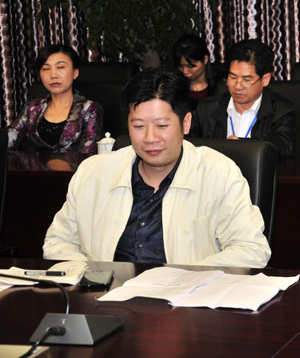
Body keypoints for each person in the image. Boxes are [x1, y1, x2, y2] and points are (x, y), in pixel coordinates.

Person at [43, 69, 271, 267]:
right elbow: (58, 242)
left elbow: (251, 249)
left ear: (186, 123)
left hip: (186, 298)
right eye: (138, 126)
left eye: (162, 126)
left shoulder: (218, 173)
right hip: (108, 297)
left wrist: (186, 278)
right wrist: (92, 277)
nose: (150, 138)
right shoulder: (93, 173)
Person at [189, 39, 295, 159]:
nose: (238, 86)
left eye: (247, 79)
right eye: (233, 78)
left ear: (265, 79)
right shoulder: (207, 108)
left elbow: (283, 145)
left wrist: (242, 146)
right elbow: (189, 144)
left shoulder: (281, 110)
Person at [7, 44, 103, 154]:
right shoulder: (33, 108)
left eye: (60, 67)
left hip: (76, 166)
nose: (53, 75)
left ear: (75, 73)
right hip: (31, 166)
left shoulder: (89, 109)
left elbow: (88, 154)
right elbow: (7, 140)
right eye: (46, 69)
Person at [172, 34, 217, 110]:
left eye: (190, 66)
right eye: (180, 66)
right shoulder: (174, 89)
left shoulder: (219, 89)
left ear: (205, 60)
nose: (185, 71)